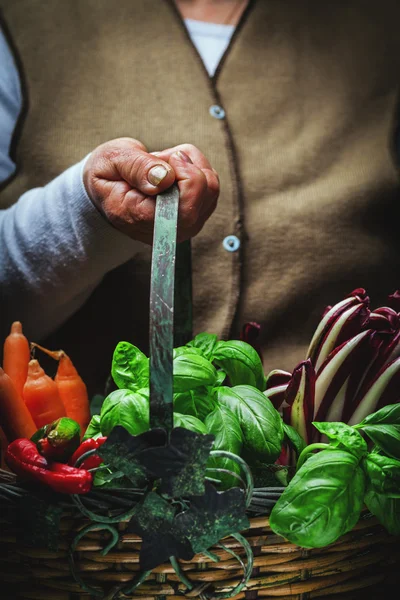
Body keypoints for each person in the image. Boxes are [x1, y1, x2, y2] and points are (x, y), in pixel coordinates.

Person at [0, 0, 400, 398]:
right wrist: (86, 213)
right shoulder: (21, 19)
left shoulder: (381, 26)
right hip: (80, 450)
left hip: (339, 454)